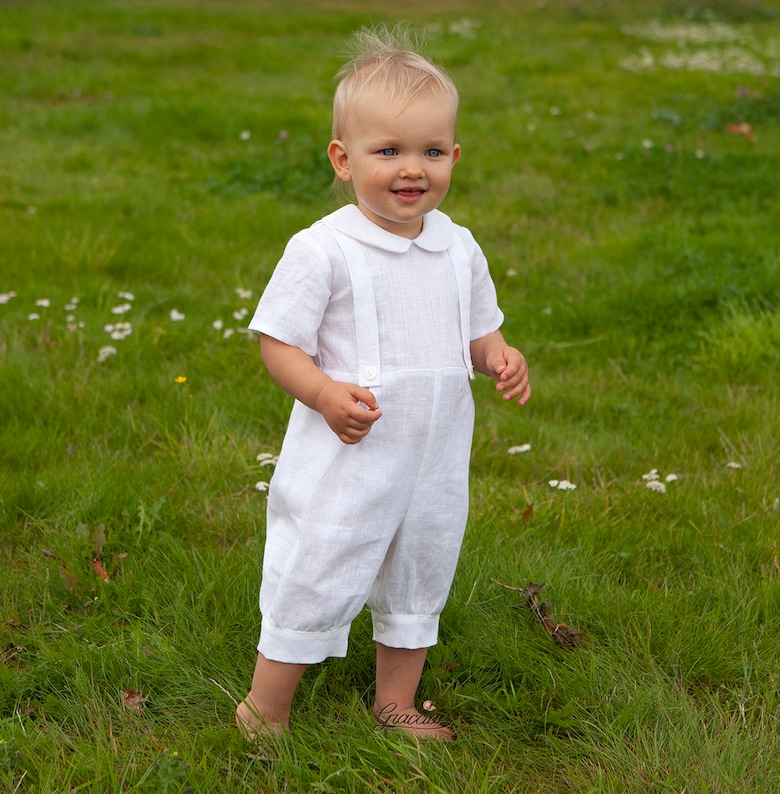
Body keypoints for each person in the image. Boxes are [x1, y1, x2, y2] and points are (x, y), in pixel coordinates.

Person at [237, 26, 530, 741]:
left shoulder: (456, 245)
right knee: (322, 559)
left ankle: (396, 699)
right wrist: (323, 393)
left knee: (422, 564)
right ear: (343, 159)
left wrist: (497, 354)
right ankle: (264, 707)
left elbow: (477, 326)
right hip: (351, 449)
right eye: (388, 151)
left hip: (433, 452)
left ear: (454, 157)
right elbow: (277, 340)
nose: (412, 170)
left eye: (432, 152)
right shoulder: (323, 249)